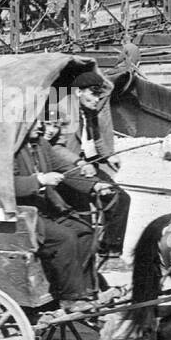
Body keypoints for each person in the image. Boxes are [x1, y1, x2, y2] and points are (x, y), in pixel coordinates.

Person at [14, 117, 99, 313]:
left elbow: (66, 169)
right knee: (65, 237)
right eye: (34, 122)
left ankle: (85, 290)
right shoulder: (12, 150)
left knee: (85, 231)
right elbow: (9, 184)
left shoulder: (42, 144)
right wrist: (40, 179)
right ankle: (70, 298)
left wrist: (95, 184)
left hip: (46, 210)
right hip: (24, 216)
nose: (41, 126)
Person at [58, 71, 131, 263]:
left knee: (122, 198)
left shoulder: (88, 110)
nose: (97, 99)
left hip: (84, 164)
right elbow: (53, 148)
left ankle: (110, 251)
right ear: (78, 92)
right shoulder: (61, 108)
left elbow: (96, 136)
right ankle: (106, 253)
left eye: (99, 95)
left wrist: (109, 155)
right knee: (111, 198)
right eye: (94, 93)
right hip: (66, 169)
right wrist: (78, 163)